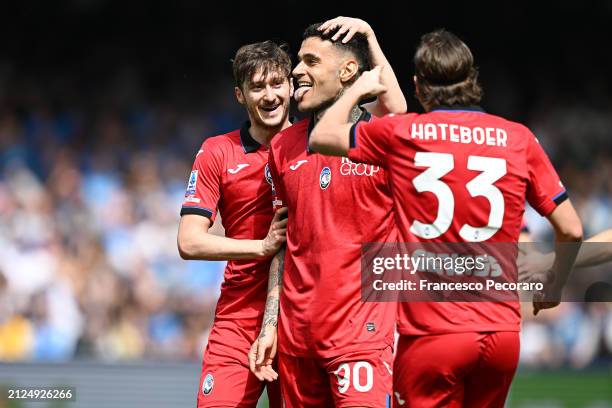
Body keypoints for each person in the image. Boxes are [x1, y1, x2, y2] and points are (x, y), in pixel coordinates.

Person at [310, 29, 583, 407]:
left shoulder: (401, 133)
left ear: (418, 85)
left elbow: (321, 136)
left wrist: (359, 88)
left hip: (432, 334)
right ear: (473, 81)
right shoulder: (519, 138)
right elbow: (571, 228)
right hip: (500, 333)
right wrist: (553, 286)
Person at [249, 17, 406, 407]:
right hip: (297, 343)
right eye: (298, 63)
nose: (297, 72)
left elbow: (396, 107)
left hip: (361, 341)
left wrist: (369, 36)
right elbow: (284, 245)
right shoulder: (283, 146)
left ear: (348, 71)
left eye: (311, 61)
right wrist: (270, 326)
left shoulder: (382, 140)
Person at [177, 40, 292, 408]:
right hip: (238, 317)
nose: (270, 95)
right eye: (258, 87)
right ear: (240, 95)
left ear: (291, 84)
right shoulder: (217, 152)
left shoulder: (317, 145)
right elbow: (189, 242)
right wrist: (260, 246)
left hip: (302, 316)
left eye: (277, 83)